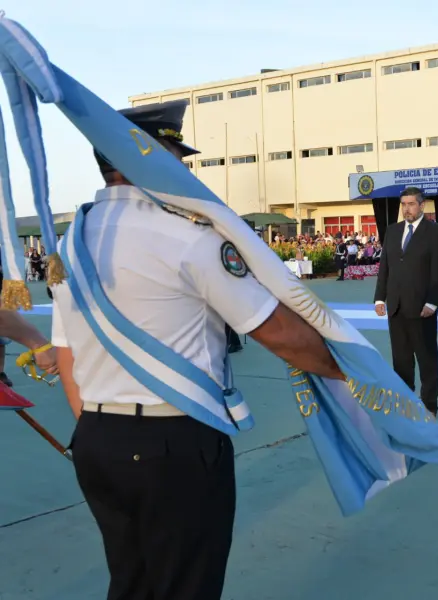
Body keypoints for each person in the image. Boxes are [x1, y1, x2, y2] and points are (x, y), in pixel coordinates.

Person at [52, 100, 341, 600]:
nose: (182, 170)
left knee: (131, 582)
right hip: (174, 446)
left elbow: (66, 353)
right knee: (186, 586)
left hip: (97, 439)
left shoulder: (71, 242)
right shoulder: (186, 235)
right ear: (139, 157)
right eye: (173, 156)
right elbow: (278, 333)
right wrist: (352, 374)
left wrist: (104, 427)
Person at [373, 187, 438, 415]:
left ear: (422, 205)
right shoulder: (392, 231)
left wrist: (433, 302)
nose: (406, 209)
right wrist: (379, 298)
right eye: (403, 204)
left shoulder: (436, 233)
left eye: (411, 204)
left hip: (422, 309)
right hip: (396, 308)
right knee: (401, 361)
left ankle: (429, 406)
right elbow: (385, 267)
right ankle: (405, 404)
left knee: (427, 360)